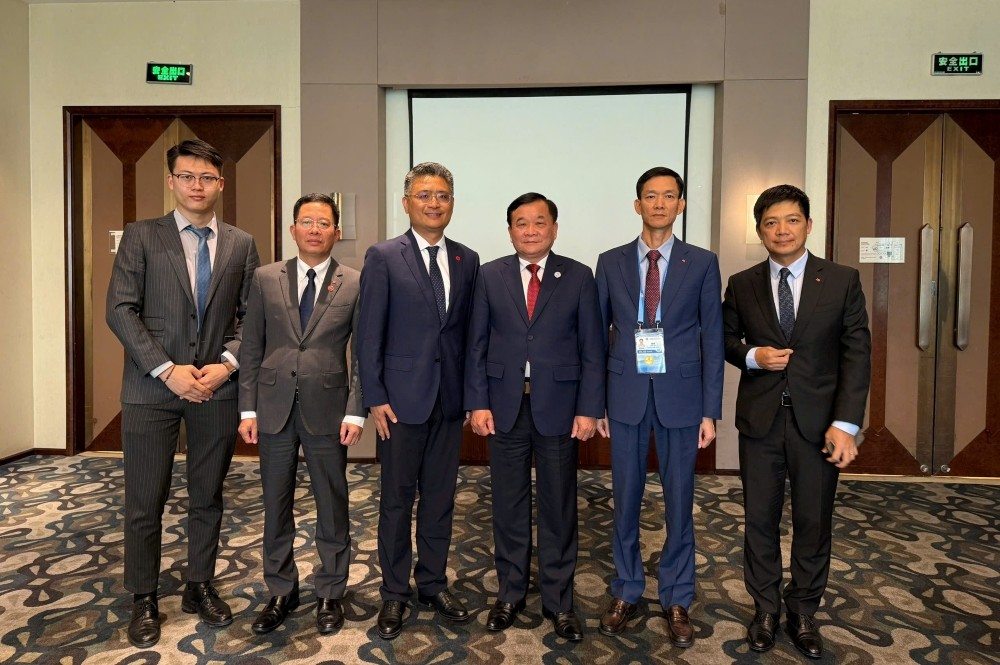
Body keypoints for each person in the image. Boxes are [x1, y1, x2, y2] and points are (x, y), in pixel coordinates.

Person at [106, 139, 260, 648]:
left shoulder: (241, 243)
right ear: (171, 181)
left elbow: (252, 317)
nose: (197, 185)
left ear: (221, 184)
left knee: (207, 496)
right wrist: (165, 369)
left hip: (216, 389)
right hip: (151, 389)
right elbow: (120, 309)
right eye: (188, 176)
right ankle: (144, 596)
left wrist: (227, 365)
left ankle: (199, 584)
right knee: (144, 499)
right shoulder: (140, 236)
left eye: (207, 177)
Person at [722, 184, 870, 659]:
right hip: (760, 421)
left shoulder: (842, 280)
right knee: (759, 519)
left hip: (820, 423)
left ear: (808, 225)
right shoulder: (742, 283)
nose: (781, 230)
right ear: (760, 230)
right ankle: (765, 608)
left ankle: (803, 609)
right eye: (771, 222)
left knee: (813, 519)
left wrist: (846, 424)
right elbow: (726, 339)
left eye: (791, 220)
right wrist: (754, 356)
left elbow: (857, 354)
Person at [465, 193, 605, 641]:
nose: (530, 230)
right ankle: (509, 593)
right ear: (510, 230)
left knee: (558, 505)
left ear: (554, 228)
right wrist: (477, 402)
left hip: (561, 408)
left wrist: (588, 407)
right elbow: (476, 344)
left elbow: (593, 348)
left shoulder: (579, 276)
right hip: (503, 406)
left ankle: (559, 600)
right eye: (521, 223)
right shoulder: (490, 275)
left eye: (539, 222)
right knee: (507, 504)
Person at [595, 167, 724, 648]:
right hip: (624, 395)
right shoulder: (609, 261)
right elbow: (596, 336)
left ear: (681, 205)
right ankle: (626, 589)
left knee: (679, 502)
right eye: (651, 196)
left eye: (669, 196)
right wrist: (596, 403)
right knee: (625, 500)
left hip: (682, 399)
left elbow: (713, 337)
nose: (660, 203)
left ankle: (677, 596)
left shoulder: (702, 262)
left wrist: (710, 410)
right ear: (638, 205)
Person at [357, 162, 480, 640]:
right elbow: (369, 333)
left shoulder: (467, 259)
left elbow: (468, 336)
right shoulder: (384, 256)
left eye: (443, 195)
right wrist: (375, 396)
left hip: (448, 403)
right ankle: (394, 592)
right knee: (396, 501)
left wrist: (471, 397)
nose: (434, 203)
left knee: (441, 499)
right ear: (406, 202)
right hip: (399, 404)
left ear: (453, 203)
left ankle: (432, 583)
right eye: (425, 195)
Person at [237, 193, 365, 636]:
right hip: (272, 408)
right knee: (276, 503)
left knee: (332, 502)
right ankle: (281, 589)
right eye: (306, 221)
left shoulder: (354, 282)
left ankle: (330, 590)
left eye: (324, 222)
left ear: (336, 232)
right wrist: (247, 407)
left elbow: (362, 354)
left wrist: (356, 411)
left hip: (328, 410)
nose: (315, 229)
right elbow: (251, 346)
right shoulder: (265, 277)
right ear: (293, 229)